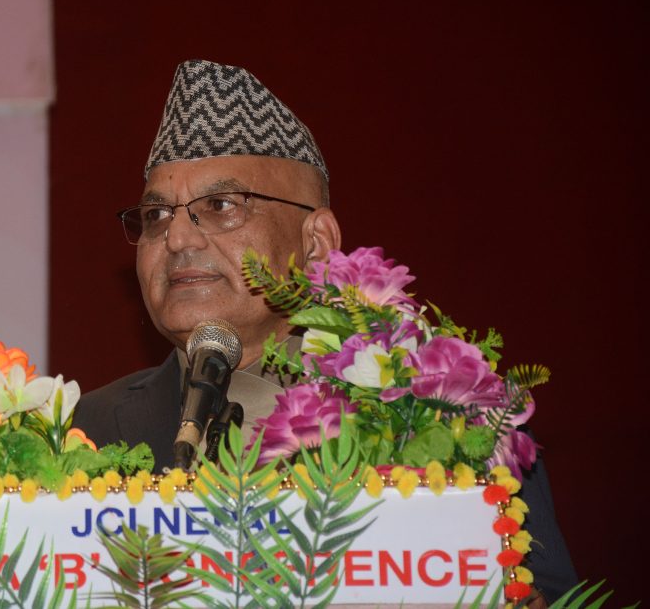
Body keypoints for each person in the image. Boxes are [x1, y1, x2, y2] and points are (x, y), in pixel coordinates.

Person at [73, 59, 578, 602]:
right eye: (156, 215)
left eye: (219, 206)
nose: (176, 239)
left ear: (315, 244)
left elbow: (540, 591)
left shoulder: (445, 413)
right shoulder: (84, 428)